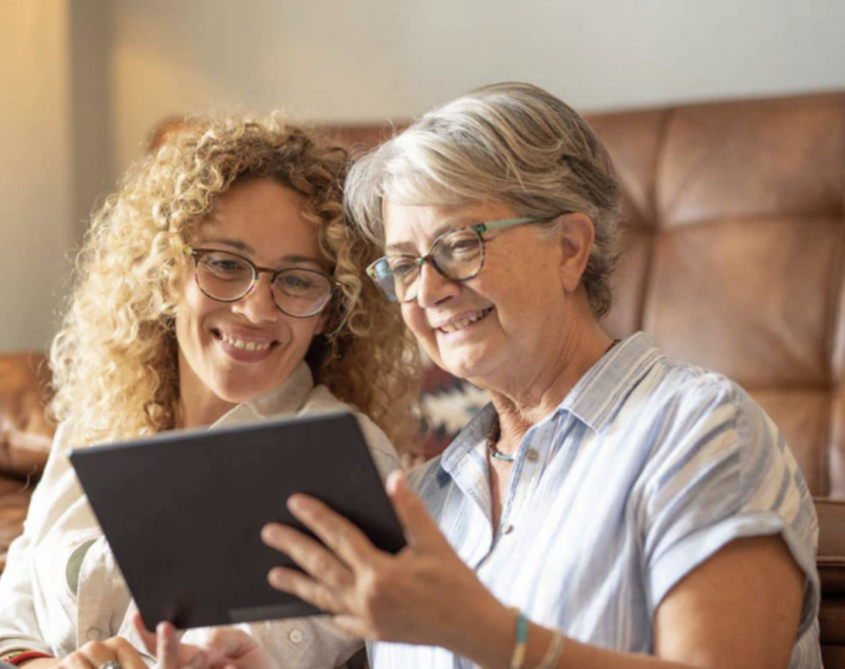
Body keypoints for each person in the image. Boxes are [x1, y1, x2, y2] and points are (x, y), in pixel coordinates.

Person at [154, 83, 822, 669]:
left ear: (569, 248)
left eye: (459, 245)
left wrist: (483, 631)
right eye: (404, 263)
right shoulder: (424, 499)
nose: (427, 290)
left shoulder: (698, 431)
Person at [0, 115, 417, 669]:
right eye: (224, 264)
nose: (255, 308)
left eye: (295, 280)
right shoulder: (96, 424)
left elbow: (286, 643)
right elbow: (4, 625)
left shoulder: (338, 453)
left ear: (331, 309)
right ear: (166, 274)